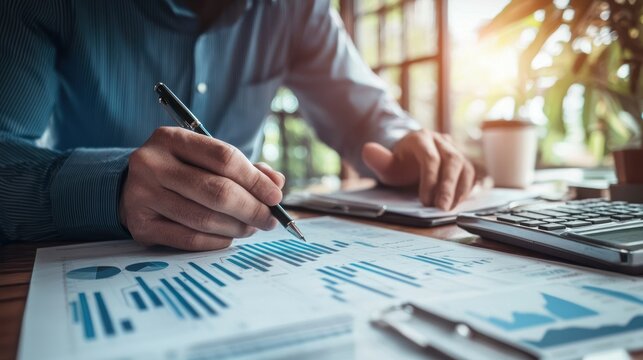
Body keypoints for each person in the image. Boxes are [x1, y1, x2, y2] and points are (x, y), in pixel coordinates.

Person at [0, 0, 474, 250]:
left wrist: (404, 141)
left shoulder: (297, 8)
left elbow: (367, 114)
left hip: (232, 249)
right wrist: (112, 187)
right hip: (87, 254)